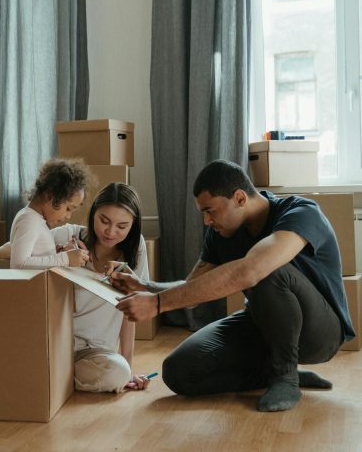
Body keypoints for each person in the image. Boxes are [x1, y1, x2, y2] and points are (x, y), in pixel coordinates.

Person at [112, 159, 354, 412]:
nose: (206, 221)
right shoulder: (221, 232)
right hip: (263, 324)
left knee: (267, 270)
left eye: (210, 211)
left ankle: (286, 377)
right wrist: (146, 287)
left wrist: (157, 304)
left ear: (239, 198)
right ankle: (273, 372)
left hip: (320, 334)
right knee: (178, 372)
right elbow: (192, 289)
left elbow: (252, 270)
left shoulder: (301, 213)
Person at [3, 181, 153, 392]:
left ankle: (48, 377)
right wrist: (58, 255)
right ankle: (50, 375)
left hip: (96, 352)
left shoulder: (136, 249)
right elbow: (2, 253)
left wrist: (129, 368)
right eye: (104, 220)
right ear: (93, 214)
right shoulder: (68, 235)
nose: (110, 232)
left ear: (133, 226)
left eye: (122, 226)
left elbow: (132, 309)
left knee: (117, 374)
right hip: (56, 343)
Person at [9, 158, 91, 269]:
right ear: (50, 196)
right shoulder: (29, 220)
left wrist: (55, 254)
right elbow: (19, 264)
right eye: (68, 208)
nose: (68, 216)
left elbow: (36, 258)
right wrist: (65, 258)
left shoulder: (35, 220)